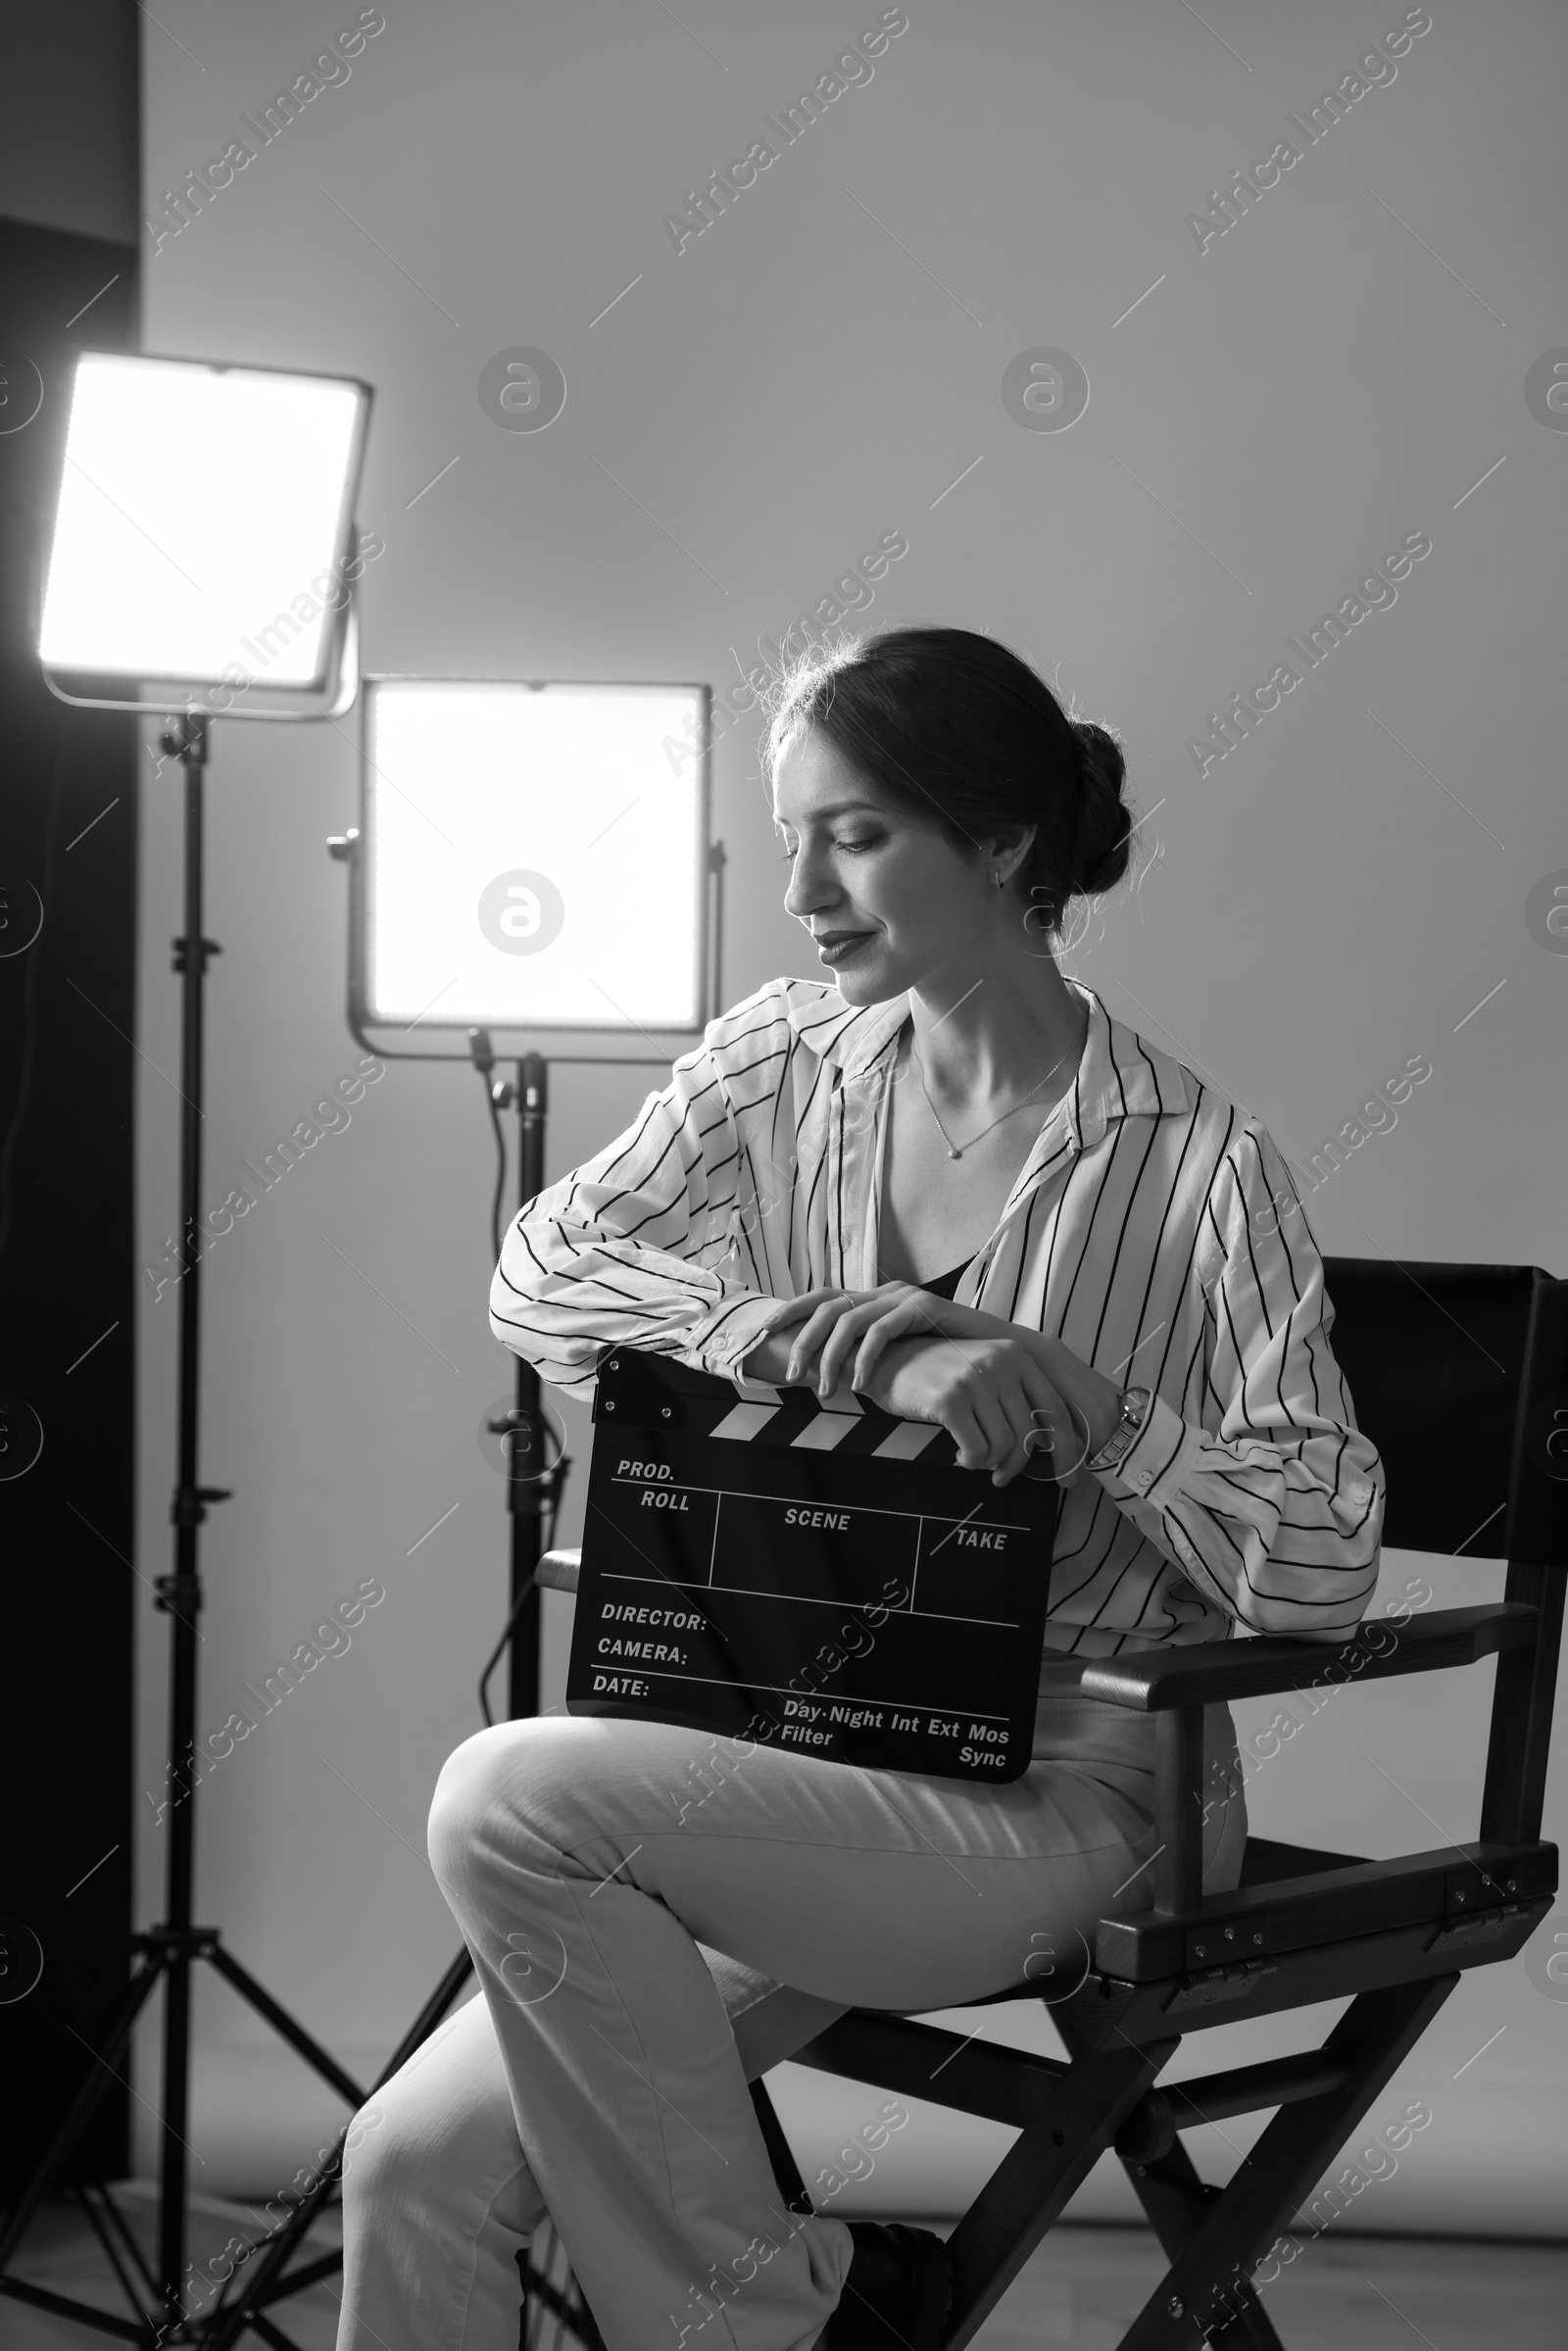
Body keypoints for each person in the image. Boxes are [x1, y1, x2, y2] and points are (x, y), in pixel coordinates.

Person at [335, 625, 1385, 2351]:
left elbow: (1328, 1574)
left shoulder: (1206, 1171)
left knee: (512, 1795)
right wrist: (827, 1344)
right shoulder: (782, 1057)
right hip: (812, 1754)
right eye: (794, 834)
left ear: (1007, 848)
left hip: (1080, 1796)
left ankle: (775, 2329)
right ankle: (788, 2322)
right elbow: (542, 1274)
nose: (808, 889)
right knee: (411, 2170)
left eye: (861, 833)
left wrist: (1105, 1417)